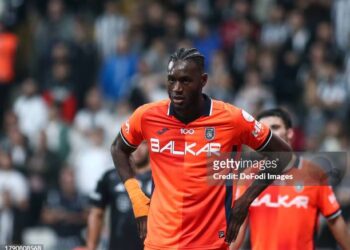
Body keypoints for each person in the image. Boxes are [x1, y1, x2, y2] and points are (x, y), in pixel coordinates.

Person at [110, 48, 294, 250]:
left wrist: (245, 200)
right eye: (171, 80)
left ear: (203, 80)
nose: (176, 88)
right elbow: (118, 148)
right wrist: (136, 197)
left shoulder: (231, 119)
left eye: (185, 80)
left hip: (208, 243)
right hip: (159, 242)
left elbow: (283, 154)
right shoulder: (148, 116)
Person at [230, 108, 350, 250]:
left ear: (290, 133)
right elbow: (237, 229)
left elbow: (335, 220)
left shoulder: (315, 175)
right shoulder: (247, 176)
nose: (269, 134)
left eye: (275, 127)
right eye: (263, 129)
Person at [86, 142, 152, 250]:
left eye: (143, 144)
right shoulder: (111, 177)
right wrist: (91, 247)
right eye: (134, 144)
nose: (137, 149)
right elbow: (96, 213)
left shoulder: (159, 179)